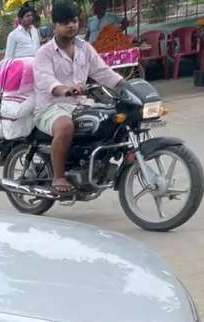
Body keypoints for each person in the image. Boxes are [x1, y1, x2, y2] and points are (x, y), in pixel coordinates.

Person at [33, 0, 123, 194]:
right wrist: (64, 89)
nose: (71, 25)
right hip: (51, 107)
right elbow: (46, 80)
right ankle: (58, 176)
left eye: (74, 21)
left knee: (111, 118)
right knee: (65, 126)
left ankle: (92, 163)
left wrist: (126, 86)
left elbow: (103, 72)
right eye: (65, 22)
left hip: (80, 104)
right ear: (55, 25)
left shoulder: (85, 48)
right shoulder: (44, 53)